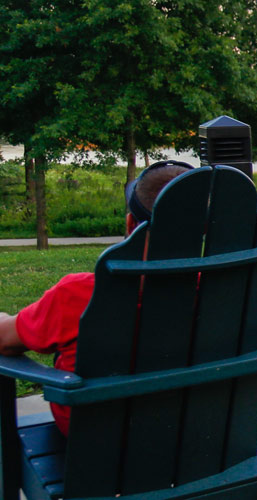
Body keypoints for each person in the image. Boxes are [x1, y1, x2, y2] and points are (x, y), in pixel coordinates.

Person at [0, 160, 194, 436]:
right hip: (191, 438)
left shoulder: (80, 295)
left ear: (130, 224)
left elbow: (5, 342)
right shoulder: (229, 291)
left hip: (94, 447)